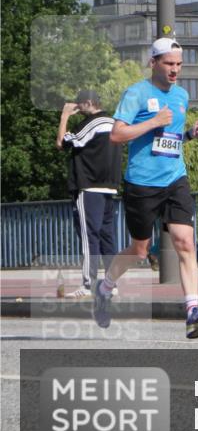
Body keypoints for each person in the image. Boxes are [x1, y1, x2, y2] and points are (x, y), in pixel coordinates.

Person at [92, 38, 198, 338]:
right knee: (139, 250)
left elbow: (169, 139)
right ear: (153, 63)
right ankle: (105, 288)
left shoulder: (181, 95)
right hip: (142, 183)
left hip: (175, 178)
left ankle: (193, 312)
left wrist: (190, 134)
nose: (175, 70)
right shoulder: (136, 93)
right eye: (169, 63)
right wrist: (153, 121)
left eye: (179, 64)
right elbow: (117, 135)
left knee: (185, 242)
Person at [56, 89, 122, 299]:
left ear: (88, 102)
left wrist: (65, 116)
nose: (78, 107)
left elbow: (61, 143)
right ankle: (111, 285)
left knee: (89, 237)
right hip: (109, 187)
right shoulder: (113, 122)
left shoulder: (91, 123)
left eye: (79, 103)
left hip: (89, 187)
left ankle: (88, 285)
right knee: (107, 237)